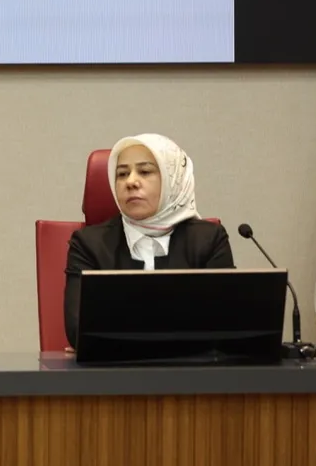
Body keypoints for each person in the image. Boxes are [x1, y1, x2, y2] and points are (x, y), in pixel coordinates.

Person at [63, 133, 234, 348]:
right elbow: (79, 331)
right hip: (114, 370)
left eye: (145, 171)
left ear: (173, 180)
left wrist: (116, 333)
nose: (131, 182)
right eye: (122, 174)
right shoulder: (89, 245)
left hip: (189, 370)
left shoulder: (209, 240)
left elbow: (225, 327)